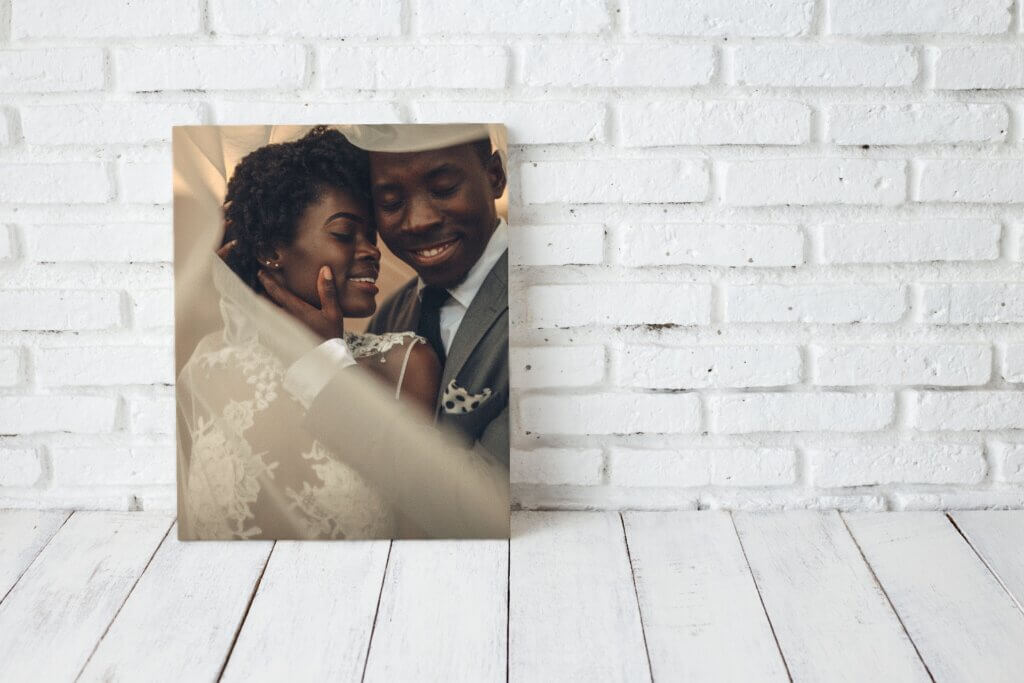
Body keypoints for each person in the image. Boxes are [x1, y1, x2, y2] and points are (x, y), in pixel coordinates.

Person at [177, 126, 440, 540]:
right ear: (269, 251)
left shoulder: (404, 363)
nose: (372, 251)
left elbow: (424, 516)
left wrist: (327, 353)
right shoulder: (207, 371)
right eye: (343, 233)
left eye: (371, 236)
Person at [262, 124, 510, 468]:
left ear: (495, 176)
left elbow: (491, 501)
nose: (419, 221)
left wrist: (329, 371)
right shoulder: (394, 316)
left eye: (443, 188)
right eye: (391, 202)